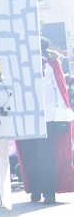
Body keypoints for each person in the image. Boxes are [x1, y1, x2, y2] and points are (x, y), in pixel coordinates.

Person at [15, 41, 74, 203]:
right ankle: (36, 189)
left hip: (47, 117)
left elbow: (59, 90)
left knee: (45, 155)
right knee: (30, 155)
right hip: (26, 115)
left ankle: (48, 191)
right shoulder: (20, 63)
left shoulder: (51, 64)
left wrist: (62, 116)